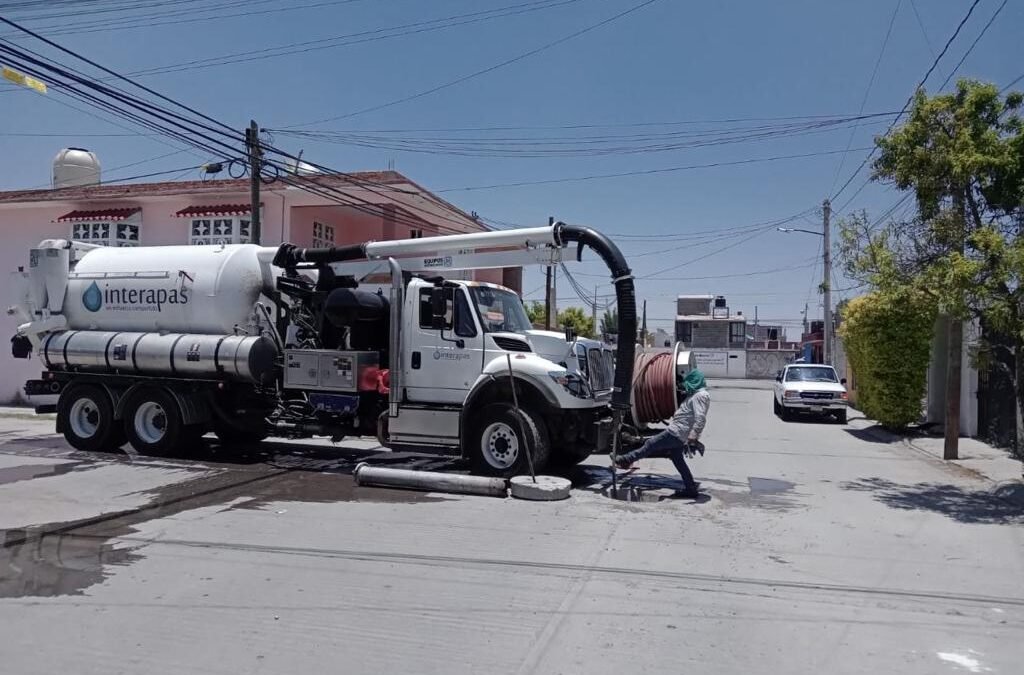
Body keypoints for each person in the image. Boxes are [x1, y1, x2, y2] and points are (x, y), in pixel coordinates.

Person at [615, 368, 711, 498]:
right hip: (679, 432)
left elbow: (700, 418)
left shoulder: (700, 396)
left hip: (676, 432)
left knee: (650, 444)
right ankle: (690, 488)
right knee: (678, 460)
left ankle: (626, 459)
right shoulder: (696, 395)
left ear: (695, 381)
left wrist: (693, 436)